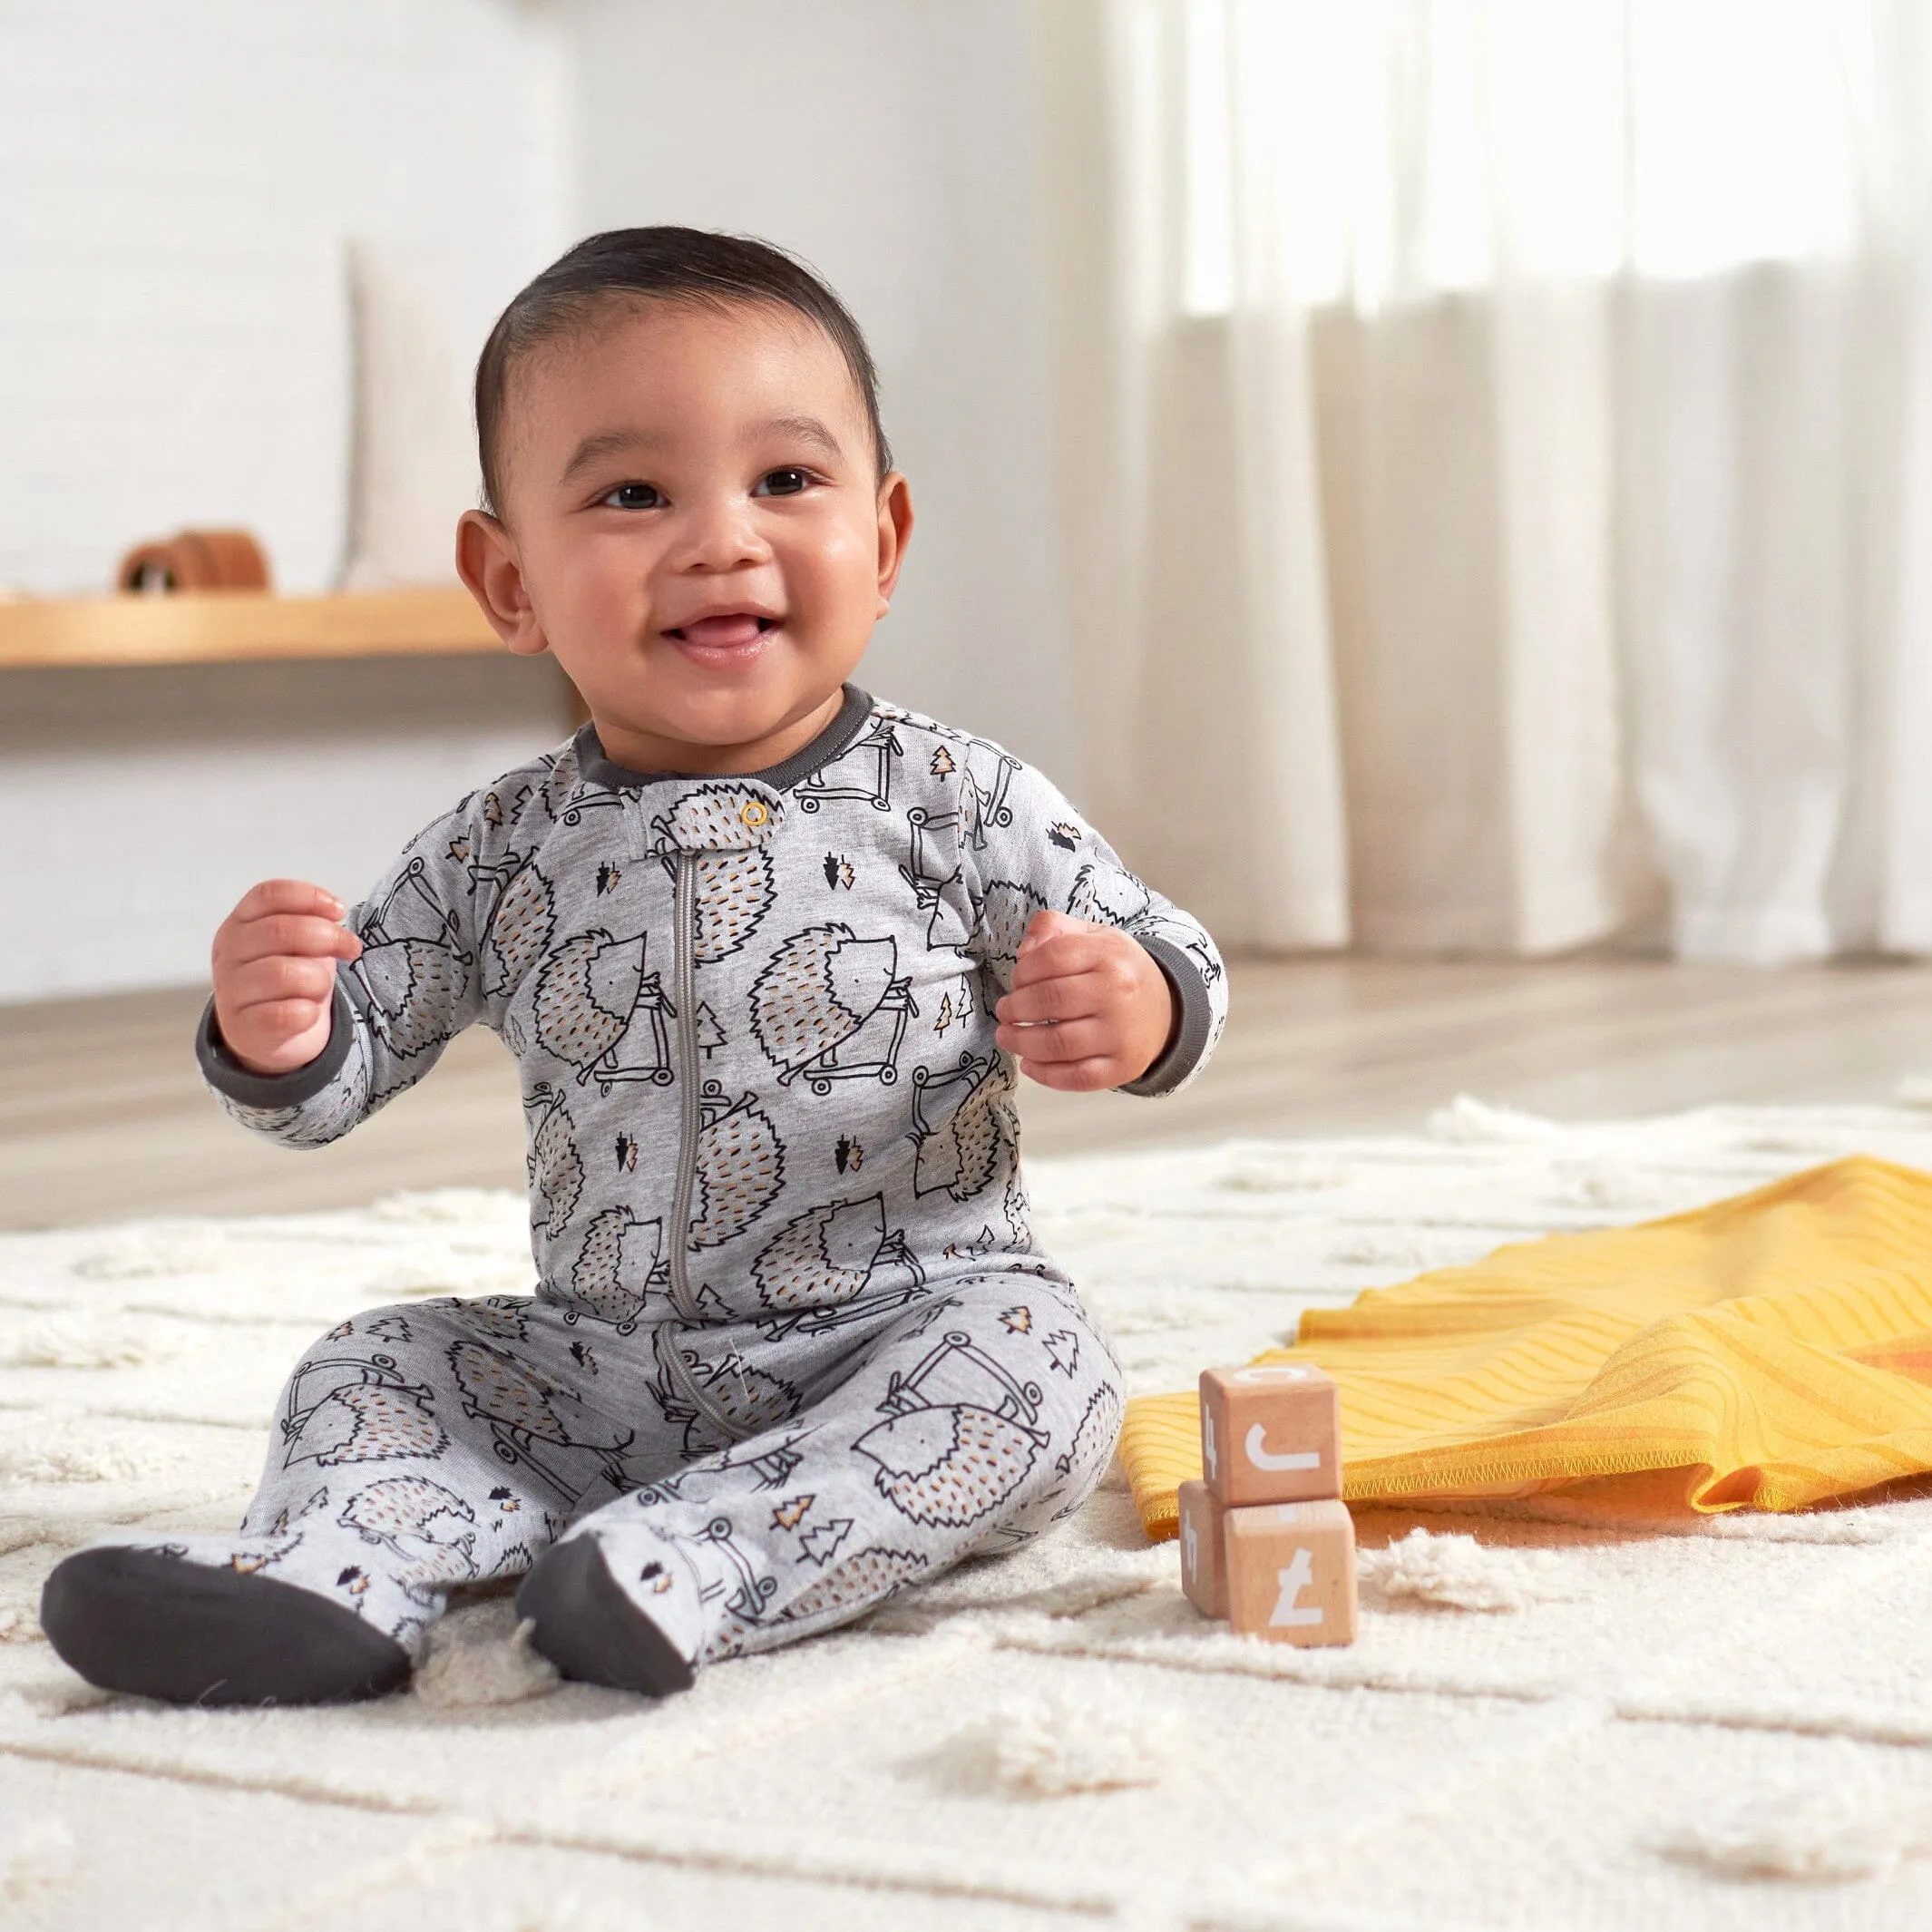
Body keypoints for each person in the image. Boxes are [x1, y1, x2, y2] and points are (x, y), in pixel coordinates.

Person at [39, 228, 1227, 1706]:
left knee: (1045, 1379)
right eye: (630, 494)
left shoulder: (959, 802)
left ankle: (686, 1567)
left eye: (785, 480)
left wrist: (1138, 997)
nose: (719, 536)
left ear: (885, 538)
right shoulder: (501, 846)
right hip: (595, 1369)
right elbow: (350, 1050)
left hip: (897, 1333)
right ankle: (335, 1571)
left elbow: (1173, 948)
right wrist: (276, 1027)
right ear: (508, 580)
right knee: (381, 1358)